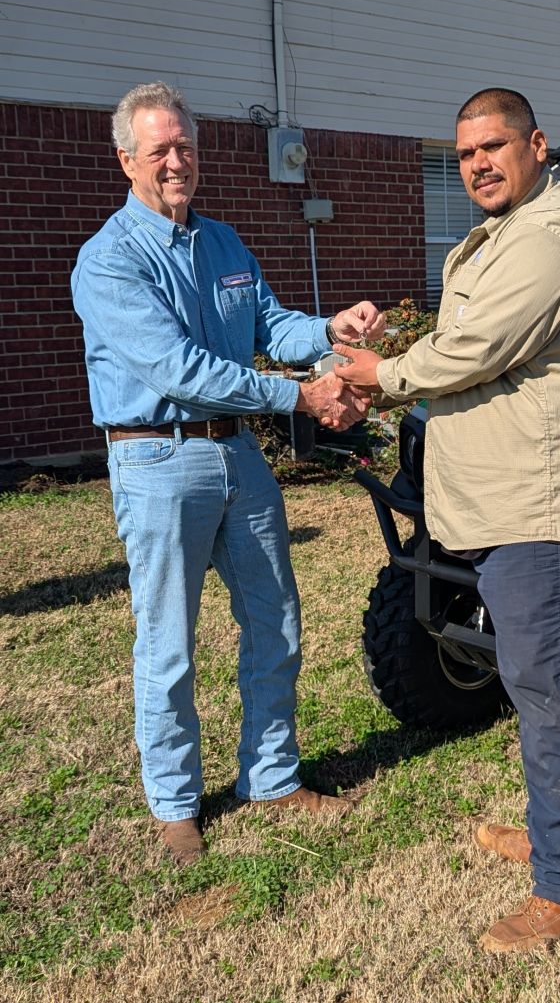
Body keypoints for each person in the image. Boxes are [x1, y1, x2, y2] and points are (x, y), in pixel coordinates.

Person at [333, 87, 560, 952]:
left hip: (548, 502)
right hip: (511, 498)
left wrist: (378, 375)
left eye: (494, 145)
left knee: (549, 689)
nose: (477, 162)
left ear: (536, 145)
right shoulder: (513, 232)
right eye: (465, 151)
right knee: (533, 679)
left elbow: (476, 347)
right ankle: (558, 835)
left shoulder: (553, 233)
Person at [71, 81, 384, 867]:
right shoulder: (108, 260)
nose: (177, 161)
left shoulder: (222, 242)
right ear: (126, 160)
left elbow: (268, 322)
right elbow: (182, 370)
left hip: (238, 456)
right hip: (156, 457)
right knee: (168, 644)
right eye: (159, 150)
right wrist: (300, 395)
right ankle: (176, 804)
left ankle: (272, 776)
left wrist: (327, 329)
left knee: (275, 621)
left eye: (186, 146)